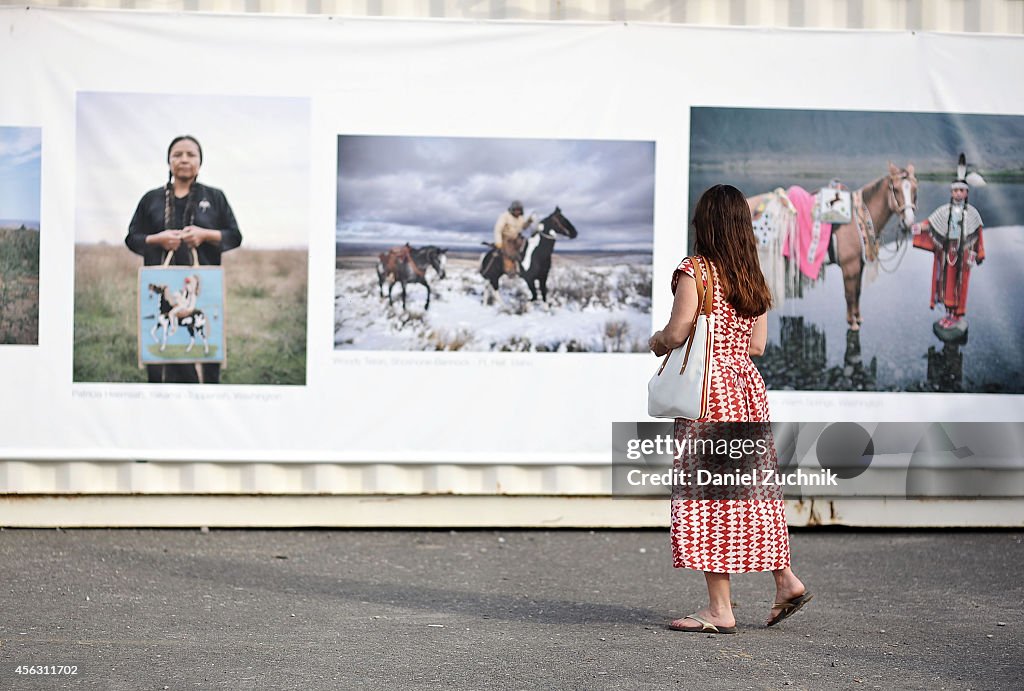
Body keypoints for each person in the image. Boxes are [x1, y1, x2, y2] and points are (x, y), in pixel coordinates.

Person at [648, 184, 811, 633]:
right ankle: (786, 580)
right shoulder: (753, 274)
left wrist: (656, 341)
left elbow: (678, 333)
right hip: (746, 389)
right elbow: (756, 345)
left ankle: (720, 609)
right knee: (752, 492)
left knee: (708, 496)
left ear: (705, 223)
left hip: (708, 395)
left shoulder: (694, 270)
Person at [126, 135, 242, 384]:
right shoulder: (151, 199)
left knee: (206, 353)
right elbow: (132, 238)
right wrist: (157, 240)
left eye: (191, 154)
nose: (184, 160)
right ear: (169, 162)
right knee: (161, 357)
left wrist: (205, 235)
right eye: (177, 155)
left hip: (202, 287)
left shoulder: (215, 197)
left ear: (200, 162)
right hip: (164, 289)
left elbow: (235, 236)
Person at [910, 154, 985, 339]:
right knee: (945, 283)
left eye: (961, 190)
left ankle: (957, 316)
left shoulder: (973, 214)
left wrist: (976, 254)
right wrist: (919, 227)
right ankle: (948, 315)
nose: (958, 193)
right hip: (946, 254)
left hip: (964, 255)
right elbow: (932, 222)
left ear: (966, 193)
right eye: (955, 190)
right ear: (951, 193)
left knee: (960, 284)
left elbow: (978, 235)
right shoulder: (945, 211)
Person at [493, 200, 534, 276]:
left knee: (526, 248)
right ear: (512, 209)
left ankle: (524, 266)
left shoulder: (520, 218)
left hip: (516, 238)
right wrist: (498, 242)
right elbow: (498, 229)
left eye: (519, 210)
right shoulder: (505, 216)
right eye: (515, 210)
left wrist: (528, 222)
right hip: (506, 238)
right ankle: (510, 269)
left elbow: (523, 227)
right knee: (510, 253)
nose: (517, 212)